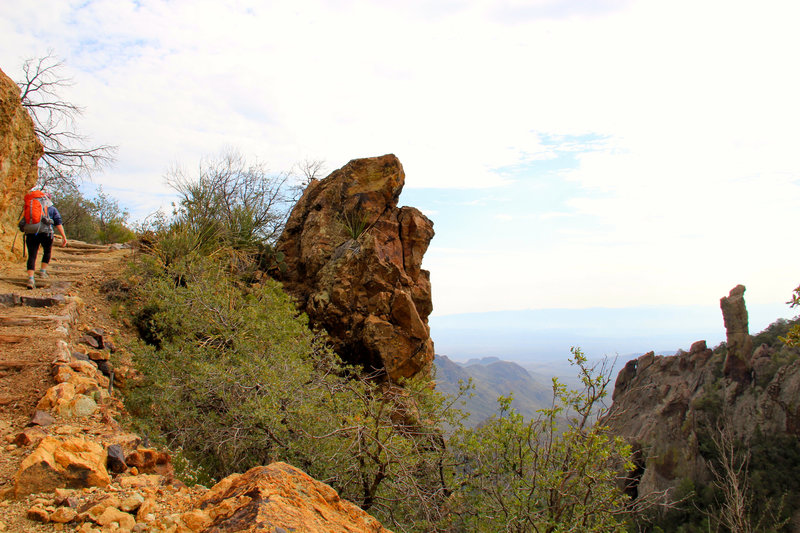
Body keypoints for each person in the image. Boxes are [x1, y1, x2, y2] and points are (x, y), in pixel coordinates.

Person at [25, 194, 68, 289]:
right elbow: (58, 223)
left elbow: (23, 221)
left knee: (32, 255)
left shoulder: (30, 207)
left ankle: (31, 278)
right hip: (46, 233)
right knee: (47, 251)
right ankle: (42, 272)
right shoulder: (52, 209)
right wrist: (64, 236)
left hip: (31, 233)